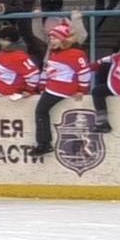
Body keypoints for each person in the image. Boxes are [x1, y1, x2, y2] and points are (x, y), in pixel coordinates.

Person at [31, 20, 93, 159]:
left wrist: (82, 90)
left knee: (41, 111)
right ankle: (44, 143)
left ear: (64, 39)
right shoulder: (55, 53)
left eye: (55, 38)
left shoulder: (75, 54)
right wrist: (41, 86)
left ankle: (44, 143)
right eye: (51, 38)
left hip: (62, 88)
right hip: (53, 87)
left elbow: (84, 73)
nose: (51, 41)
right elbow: (48, 71)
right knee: (41, 111)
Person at [89, 30, 120, 133]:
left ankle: (102, 122)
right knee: (100, 83)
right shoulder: (117, 57)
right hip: (115, 85)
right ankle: (102, 123)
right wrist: (85, 68)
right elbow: (100, 62)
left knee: (97, 91)